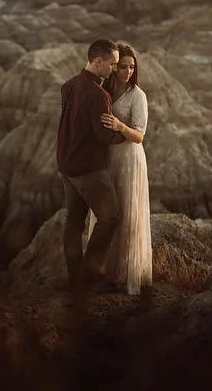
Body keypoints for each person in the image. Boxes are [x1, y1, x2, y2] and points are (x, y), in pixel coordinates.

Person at [57, 38, 126, 292]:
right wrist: (126, 134)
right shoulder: (98, 95)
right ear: (97, 62)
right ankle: (89, 276)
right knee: (110, 218)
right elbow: (104, 135)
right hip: (89, 168)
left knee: (74, 221)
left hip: (66, 164)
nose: (115, 70)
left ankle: (74, 278)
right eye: (112, 64)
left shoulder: (69, 86)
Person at [84, 42, 153, 295]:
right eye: (122, 66)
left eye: (131, 67)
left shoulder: (138, 96)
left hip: (130, 160)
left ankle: (125, 275)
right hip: (108, 158)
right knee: (107, 215)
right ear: (114, 68)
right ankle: (103, 272)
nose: (127, 71)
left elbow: (140, 135)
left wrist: (118, 126)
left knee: (126, 214)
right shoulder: (105, 90)